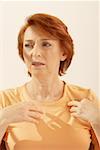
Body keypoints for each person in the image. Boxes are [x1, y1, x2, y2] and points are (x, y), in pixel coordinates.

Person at [0, 13, 100, 150]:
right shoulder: (5, 100)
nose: (35, 53)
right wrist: (2, 119)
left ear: (64, 52)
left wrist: (98, 120)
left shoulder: (86, 99)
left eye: (45, 44)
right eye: (28, 45)